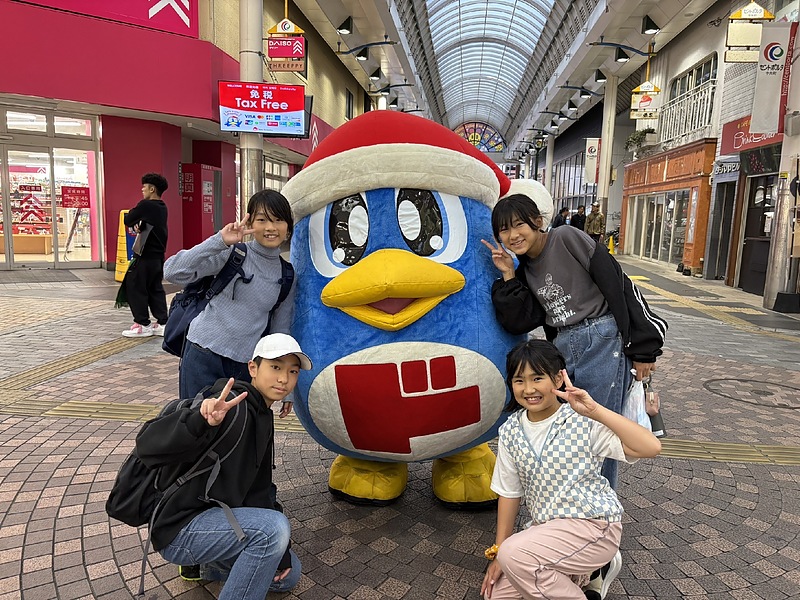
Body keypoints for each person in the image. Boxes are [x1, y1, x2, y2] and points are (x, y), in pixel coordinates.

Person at [481, 192, 667, 492]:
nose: (513, 235)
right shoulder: (525, 268)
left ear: (537, 221)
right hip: (563, 346)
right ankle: (570, 500)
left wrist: (644, 350)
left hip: (601, 339)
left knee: (599, 426)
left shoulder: (566, 238)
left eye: (519, 224)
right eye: (504, 229)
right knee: (569, 425)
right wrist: (508, 275)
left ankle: (599, 510)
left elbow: (619, 285)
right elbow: (520, 321)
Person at [135, 333, 312, 600]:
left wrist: (282, 553)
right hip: (180, 528)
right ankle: (206, 560)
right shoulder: (228, 407)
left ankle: (210, 565)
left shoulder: (263, 416)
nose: (283, 379)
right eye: (275, 367)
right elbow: (147, 444)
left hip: (218, 520)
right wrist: (199, 421)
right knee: (272, 531)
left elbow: (261, 490)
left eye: (292, 371)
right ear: (253, 368)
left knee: (288, 572)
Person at [481, 339, 661, 600]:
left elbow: (651, 447)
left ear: (557, 379)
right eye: (519, 380)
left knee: (515, 555)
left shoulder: (581, 421)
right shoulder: (511, 431)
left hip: (594, 526)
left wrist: (595, 410)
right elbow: (509, 493)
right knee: (496, 594)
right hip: (547, 531)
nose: (529, 389)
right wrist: (498, 552)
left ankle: (585, 571)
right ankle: (576, 576)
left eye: (537, 378)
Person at [164, 190, 297, 408]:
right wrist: (219, 240)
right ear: (250, 223)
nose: (270, 227)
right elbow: (172, 272)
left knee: (236, 426)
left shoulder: (287, 275)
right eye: (262, 220)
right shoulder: (233, 254)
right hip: (203, 355)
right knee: (194, 421)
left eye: (278, 220)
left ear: (288, 228)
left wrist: (285, 388)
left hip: (245, 366)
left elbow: (280, 332)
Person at [122, 173, 169, 338]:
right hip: (158, 257)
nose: (142, 190)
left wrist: (136, 221)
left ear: (152, 189)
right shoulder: (162, 207)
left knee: (135, 287)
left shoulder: (146, 205)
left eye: (144, 187)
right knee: (155, 288)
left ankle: (143, 324)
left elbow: (128, 219)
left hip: (144, 256)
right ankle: (162, 323)